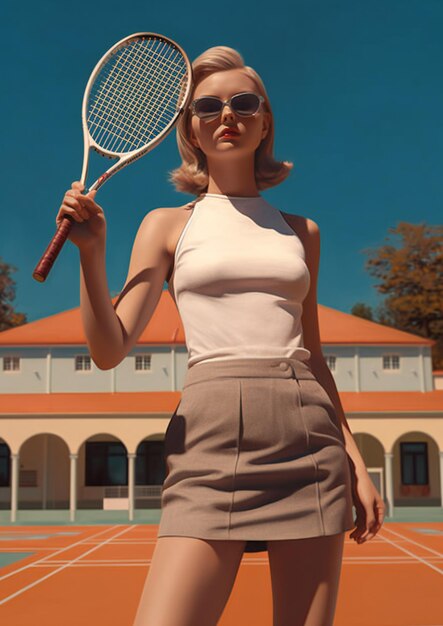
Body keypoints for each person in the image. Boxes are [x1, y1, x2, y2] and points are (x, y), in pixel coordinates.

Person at [58, 46, 385, 626]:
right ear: (190, 128)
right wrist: (91, 255)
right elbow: (108, 351)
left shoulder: (300, 231)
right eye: (207, 105)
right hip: (206, 437)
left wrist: (357, 463)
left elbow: (313, 355)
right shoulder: (166, 224)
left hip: (308, 436)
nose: (226, 114)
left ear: (264, 122)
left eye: (243, 102)